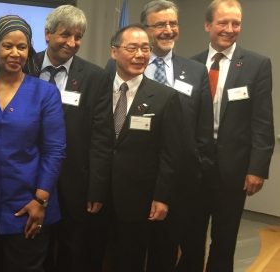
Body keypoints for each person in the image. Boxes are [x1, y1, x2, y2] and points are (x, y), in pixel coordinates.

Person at [0, 15, 66, 272]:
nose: (15, 53)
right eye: (7, 46)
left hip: (29, 207)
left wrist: (41, 200)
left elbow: (55, 150)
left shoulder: (45, 93)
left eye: (22, 47)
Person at [130, 1, 217, 271]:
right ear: (145, 29)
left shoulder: (194, 71)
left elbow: (202, 129)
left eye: (173, 24)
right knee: (128, 249)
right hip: (132, 179)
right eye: (160, 25)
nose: (168, 30)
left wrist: (198, 168)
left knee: (165, 252)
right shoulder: (128, 66)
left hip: (178, 184)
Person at [30, 6, 114, 272]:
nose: (72, 43)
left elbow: (102, 136)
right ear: (47, 34)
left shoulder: (95, 77)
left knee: (71, 250)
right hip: (30, 175)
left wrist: (97, 187)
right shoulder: (25, 66)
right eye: (65, 35)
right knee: (32, 247)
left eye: (78, 37)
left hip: (75, 182)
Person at [192, 0, 274, 270]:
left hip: (234, 169)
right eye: (223, 22)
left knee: (224, 239)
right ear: (208, 25)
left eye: (235, 23)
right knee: (190, 235)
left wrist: (257, 168)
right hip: (194, 168)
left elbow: (262, 120)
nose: (229, 28)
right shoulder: (190, 66)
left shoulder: (256, 65)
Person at [108, 24, 183, 272]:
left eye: (145, 48)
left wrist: (162, 197)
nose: (140, 55)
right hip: (98, 195)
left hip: (138, 199)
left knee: (131, 259)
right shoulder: (98, 87)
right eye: (132, 48)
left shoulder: (165, 97)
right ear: (114, 52)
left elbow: (170, 153)